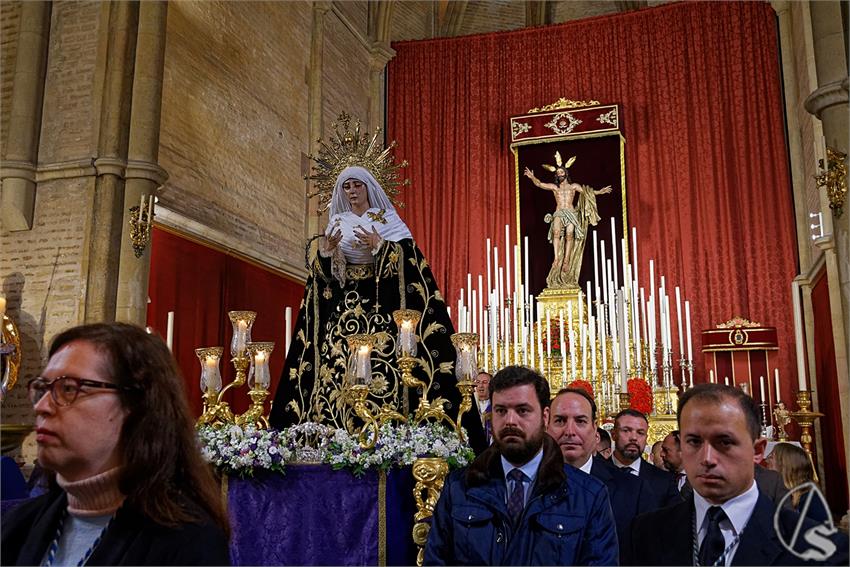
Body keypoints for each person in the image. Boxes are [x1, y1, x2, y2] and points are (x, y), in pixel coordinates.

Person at [268, 165, 486, 452]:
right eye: (347, 187)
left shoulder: (389, 220)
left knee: (389, 365)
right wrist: (328, 253)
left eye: (357, 185)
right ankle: (336, 438)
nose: (352, 191)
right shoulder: (337, 222)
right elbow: (326, 280)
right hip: (344, 313)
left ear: (369, 187)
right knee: (336, 368)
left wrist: (381, 246)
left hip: (382, 310)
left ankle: (390, 435)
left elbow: (410, 265)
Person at [1, 323, 231, 565]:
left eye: (68, 388)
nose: (41, 406)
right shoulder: (17, 527)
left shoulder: (187, 543)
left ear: (136, 405)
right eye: (42, 389)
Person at [631, 384, 848, 566]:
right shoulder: (648, 532)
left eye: (725, 442)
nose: (707, 458)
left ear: (758, 451)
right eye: (694, 442)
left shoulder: (819, 548)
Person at [423, 366, 618, 565]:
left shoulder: (588, 495)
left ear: (545, 417)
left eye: (522, 410)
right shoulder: (459, 487)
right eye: (501, 411)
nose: (510, 421)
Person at [547, 387, 654, 564]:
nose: (570, 431)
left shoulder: (634, 490)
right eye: (560, 421)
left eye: (580, 421)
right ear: (546, 425)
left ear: (594, 429)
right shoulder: (527, 485)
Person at [523, 152, 612, 288]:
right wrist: (532, 177)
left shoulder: (573, 186)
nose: (559, 174)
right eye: (557, 172)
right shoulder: (555, 187)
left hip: (570, 212)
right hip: (559, 212)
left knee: (570, 235)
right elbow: (540, 184)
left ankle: (566, 260)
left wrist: (601, 191)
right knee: (556, 232)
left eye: (561, 172)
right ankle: (557, 258)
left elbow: (587, 192)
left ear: (565, 173)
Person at [611, 408, 681, 509]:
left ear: (646, 438)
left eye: (640, 433)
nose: (634, 438)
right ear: (614, 434)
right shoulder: (595, 473)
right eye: (626, 431)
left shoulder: (664, 481)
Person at [766, 442, 830, 522]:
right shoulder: (777, 491)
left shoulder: (810, 499)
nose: (766, 461)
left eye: (771, 457)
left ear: (784, 465)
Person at [475, 371, 492, 442]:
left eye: (484, 382)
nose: (481, 385)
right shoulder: (468, 406)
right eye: (478, 382)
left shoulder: (496, 407)